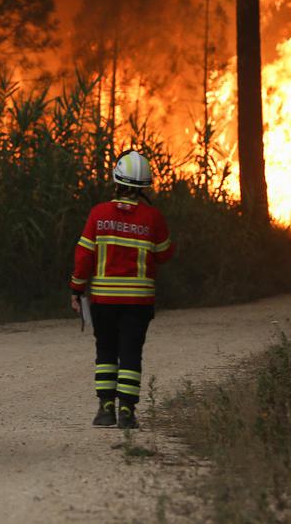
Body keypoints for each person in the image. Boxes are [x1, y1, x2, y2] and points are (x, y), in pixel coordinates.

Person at [69, 150, 174, 429]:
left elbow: (83, 257)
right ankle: (127, 412)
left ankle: (105, 410)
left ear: (116, 180)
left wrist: (76, 288)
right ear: (144, 187)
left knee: (105, 350)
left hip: (103, 301)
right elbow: (165, 254)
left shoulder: (98, 214)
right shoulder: (153, 218)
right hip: (139, 303)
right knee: (130, 353)